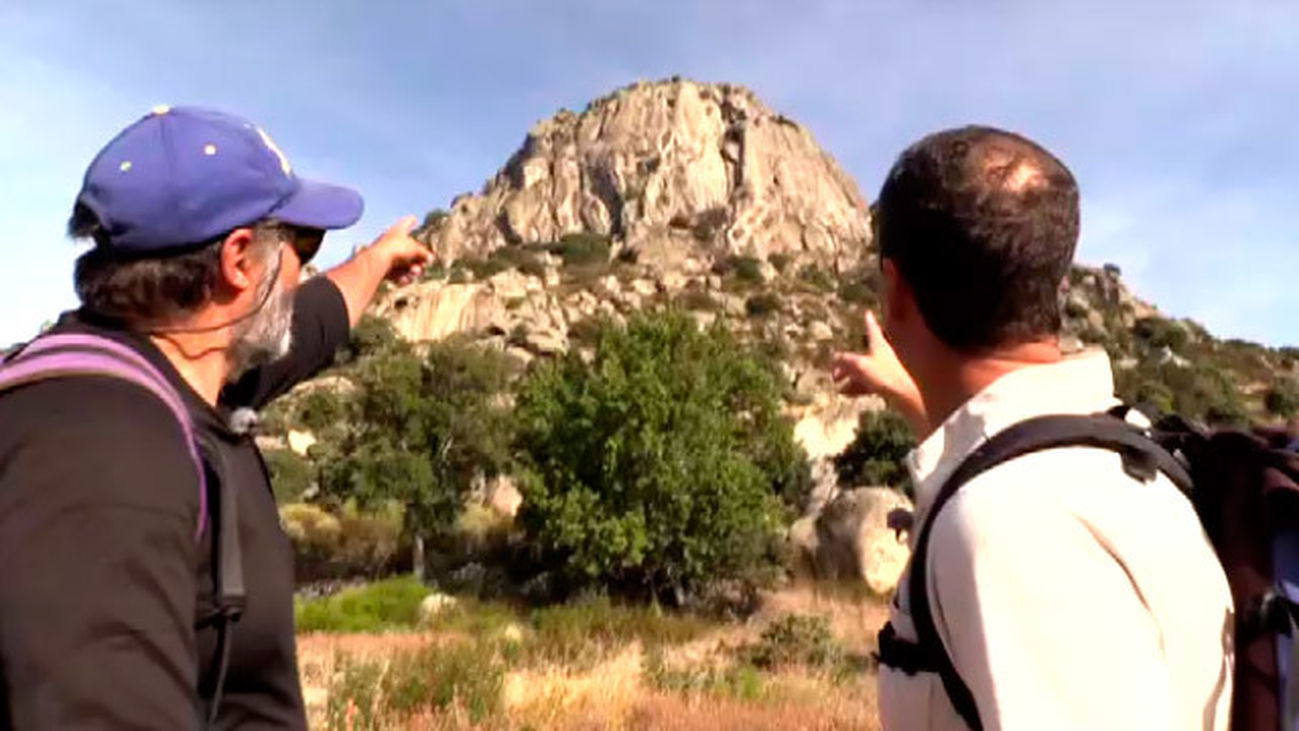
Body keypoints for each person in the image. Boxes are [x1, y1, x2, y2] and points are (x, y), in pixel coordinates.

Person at [0, 106, 433, 729]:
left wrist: (378, 261)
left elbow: (310, 321)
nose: (305, 268)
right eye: (301, 245)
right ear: (238, 261)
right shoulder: (96, 455)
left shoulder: (191, 373)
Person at [832, 126, 1233, 730]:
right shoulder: (1118, 449)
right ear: (1053, 282)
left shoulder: (1009, 525)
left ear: (895, 291)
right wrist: (919, 404)